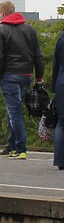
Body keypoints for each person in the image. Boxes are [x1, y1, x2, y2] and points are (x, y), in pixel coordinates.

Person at [0, 0, 44, 160]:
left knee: (14, 112)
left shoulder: (0, 30)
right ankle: (11, 145)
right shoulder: (30, 29)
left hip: (9, 75)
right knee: (12, 109)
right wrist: (39, 76)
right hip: (26, 75)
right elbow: (37, 54)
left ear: (2, 13)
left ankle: (21, 147)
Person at [54, 26, 64, 170]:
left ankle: (60, 160)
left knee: (61, 122)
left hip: (62, 83)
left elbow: (56, 63)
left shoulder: (61, 38)